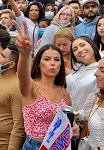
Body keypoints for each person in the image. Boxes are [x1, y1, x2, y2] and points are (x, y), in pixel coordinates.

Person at [14, 21, 78, 149]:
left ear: (61, 65)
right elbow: (22, 77)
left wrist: (73, 128)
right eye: (47, 59)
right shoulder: (31, 87)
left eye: (57, 59)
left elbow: (69, 122)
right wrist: (24, 54)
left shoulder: (64, 92)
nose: (52, 63)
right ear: (38, 63)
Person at [67, 36, 101, 114]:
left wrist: (79, 115)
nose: (79, 50)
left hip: (86, 120)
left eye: (82, 45)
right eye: (75, 49)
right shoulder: (76, 71)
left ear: (92, 46)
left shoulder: (100, 71)